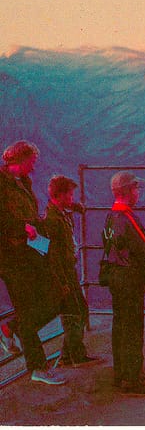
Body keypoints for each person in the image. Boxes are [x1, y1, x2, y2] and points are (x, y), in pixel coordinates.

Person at [0, 141, 66, 385]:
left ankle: (11, 328)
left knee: (53, 298)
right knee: (28, 308)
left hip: (29, 250)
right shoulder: (2, 184)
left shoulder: (22, 183)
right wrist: (21, 228)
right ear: (21, 159)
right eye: (32, 161)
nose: (35, 166)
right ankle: (38, 367)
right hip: (10, 257)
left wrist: (38, 227)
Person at [104, 171, 145, 397]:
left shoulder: (110, 217)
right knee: (133, 329)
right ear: (127, 192)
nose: (138, 193)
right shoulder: (127, 218)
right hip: (130, 279)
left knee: (119, 326)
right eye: (136, 188)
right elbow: (144, 249)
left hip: (115, 277)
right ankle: (134, 378)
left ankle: (121, 374)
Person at [43, 175, 101, 367]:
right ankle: (75, 355)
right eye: (69, 194)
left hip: (69, 270)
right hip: (64, 273)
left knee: (76, 310)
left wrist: (74, 206)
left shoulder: (59, 213)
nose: (72, 197)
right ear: (58, 195)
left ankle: (69, 355)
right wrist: (62, 282)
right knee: (75, 311)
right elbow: (53, 255)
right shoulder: (52, 220)